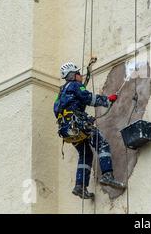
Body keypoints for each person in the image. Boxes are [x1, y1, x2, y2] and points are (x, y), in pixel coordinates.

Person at [54, 62, 126, 200]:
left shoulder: (61, 91)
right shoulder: (75, 86)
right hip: (79, 125)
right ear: (73, 75)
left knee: (85, 154)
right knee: (102, 144)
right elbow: (88, 98)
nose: (81, 76)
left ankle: (80, 186)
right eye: (79, 73)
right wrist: (107, 100)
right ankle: (107, 175)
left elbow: (56, 110)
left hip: (67, 130)